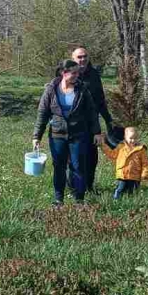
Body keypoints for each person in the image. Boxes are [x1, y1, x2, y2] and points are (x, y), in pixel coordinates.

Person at [33, 60, 103, 205]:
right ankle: (58, 200)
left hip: (79, 135)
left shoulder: (82, 89)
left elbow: (91, 112)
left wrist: (97, 132)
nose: (77, 75)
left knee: (78, 167)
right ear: (63, 73)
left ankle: (79, 200)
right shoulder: (51, 89)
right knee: (59, 167)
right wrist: (36, 136)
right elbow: (42, 113)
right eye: (74, 73)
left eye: (78, 73)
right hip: (57, 135)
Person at [71, 47, 112, 193]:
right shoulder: (68, 74)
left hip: (92, 123)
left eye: (85, 56)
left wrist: (108, 119)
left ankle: (89, 186)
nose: (83, 59)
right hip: (73, 124)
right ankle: (74, 187)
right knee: (74, 158)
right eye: (79, 57)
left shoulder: (94, 74)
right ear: (73, 58)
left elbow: (101, 99)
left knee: (92, 157)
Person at [100, 126, 148, 200]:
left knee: (132, 191)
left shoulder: (141, 149)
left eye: (135, 138)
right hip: (122, 175)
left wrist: (145, 173)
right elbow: (112, 154)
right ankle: (116, 200)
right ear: (125, 138)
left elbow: (145, 163)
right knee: (120, 189)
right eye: (131, 138)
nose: (133, 140)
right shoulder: (121, 148)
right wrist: (103, 146)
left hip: (135, 175)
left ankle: (130, 203)